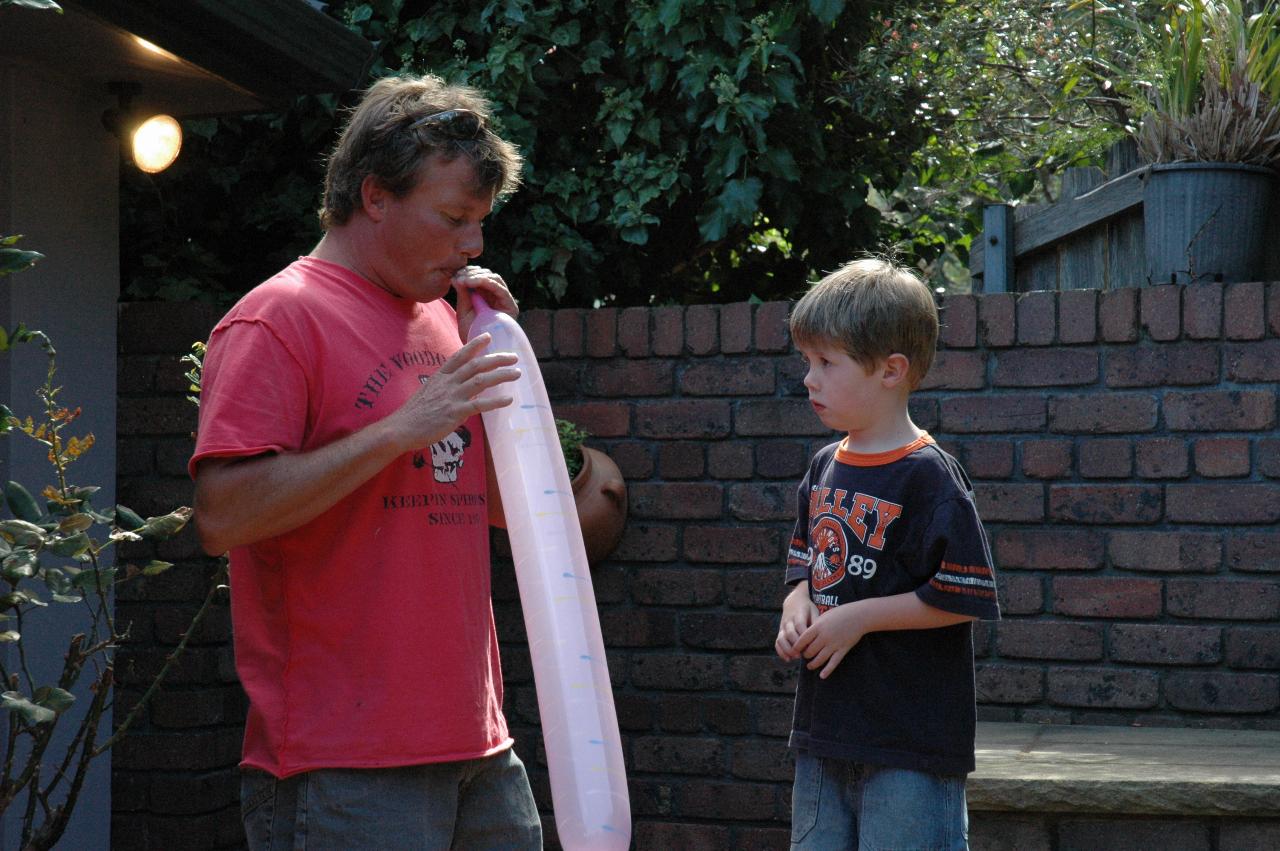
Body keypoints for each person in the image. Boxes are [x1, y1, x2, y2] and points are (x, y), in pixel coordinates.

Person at [189, 74, 543, 849]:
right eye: (454, 218)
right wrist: (399, 430)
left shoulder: (447, 320)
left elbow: (496, 506)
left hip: (480, 744)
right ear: (375, 195)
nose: (474, 246)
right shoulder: (275, 319)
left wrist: (508, 375)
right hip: (343, 763)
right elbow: (221, 515)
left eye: (480, 222)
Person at [775, 257, 1001, 850]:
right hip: (824, 734)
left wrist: (858, 619)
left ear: (891, 370)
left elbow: (961, 596)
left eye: (827, 363)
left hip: (911, 746)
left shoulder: (931, 477)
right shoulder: (823, 466)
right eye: (807, 362)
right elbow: (806, 560)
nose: (809, 379)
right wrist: (796, 602)